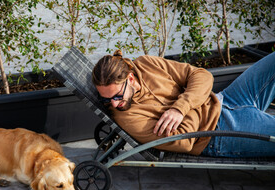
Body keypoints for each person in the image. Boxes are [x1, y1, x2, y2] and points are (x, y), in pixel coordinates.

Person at [92, 50, 275, 157]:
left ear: (130, 79)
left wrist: (180, 109)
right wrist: (195, 98)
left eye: (116, 96)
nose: (113, 105)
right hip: (217, 134)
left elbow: (201, 75)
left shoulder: (145, 64)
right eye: (105, 99)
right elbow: (184, 141)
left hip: (227, 98)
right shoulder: (128, 117)